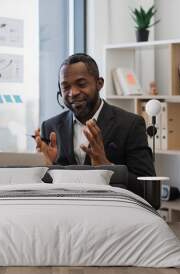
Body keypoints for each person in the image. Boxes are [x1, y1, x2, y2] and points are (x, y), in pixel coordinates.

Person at [34, 53, 155, 197]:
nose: (73, 93)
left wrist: (106, 167)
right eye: (65, 87)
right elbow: (44, 188)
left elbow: (148, 188)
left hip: (112, 212)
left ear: (99, 83)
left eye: (81, 84)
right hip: (66, 212)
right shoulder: (50, 127)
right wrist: (44, 169)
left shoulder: (130, 124)